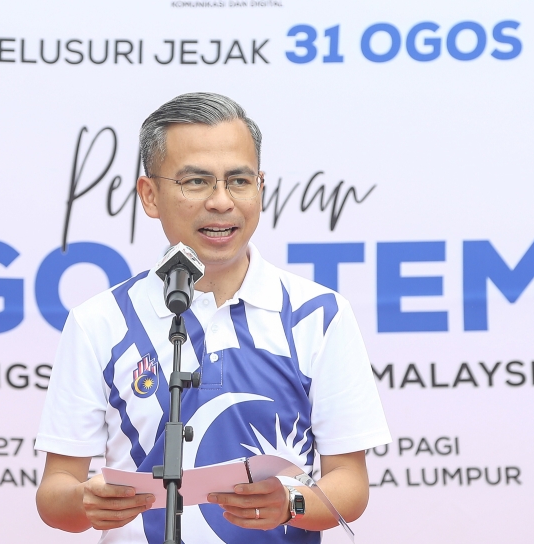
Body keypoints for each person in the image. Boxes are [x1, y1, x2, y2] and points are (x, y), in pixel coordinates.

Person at [35, 92, 390, 543]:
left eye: (239, 181)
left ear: (260, 187)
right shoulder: (99, 321)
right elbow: (55, 494)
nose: (222, 202)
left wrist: (289, 503)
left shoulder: (317, 314)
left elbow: (350, 485)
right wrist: (87, 502)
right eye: (197, 182)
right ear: (150, 195)